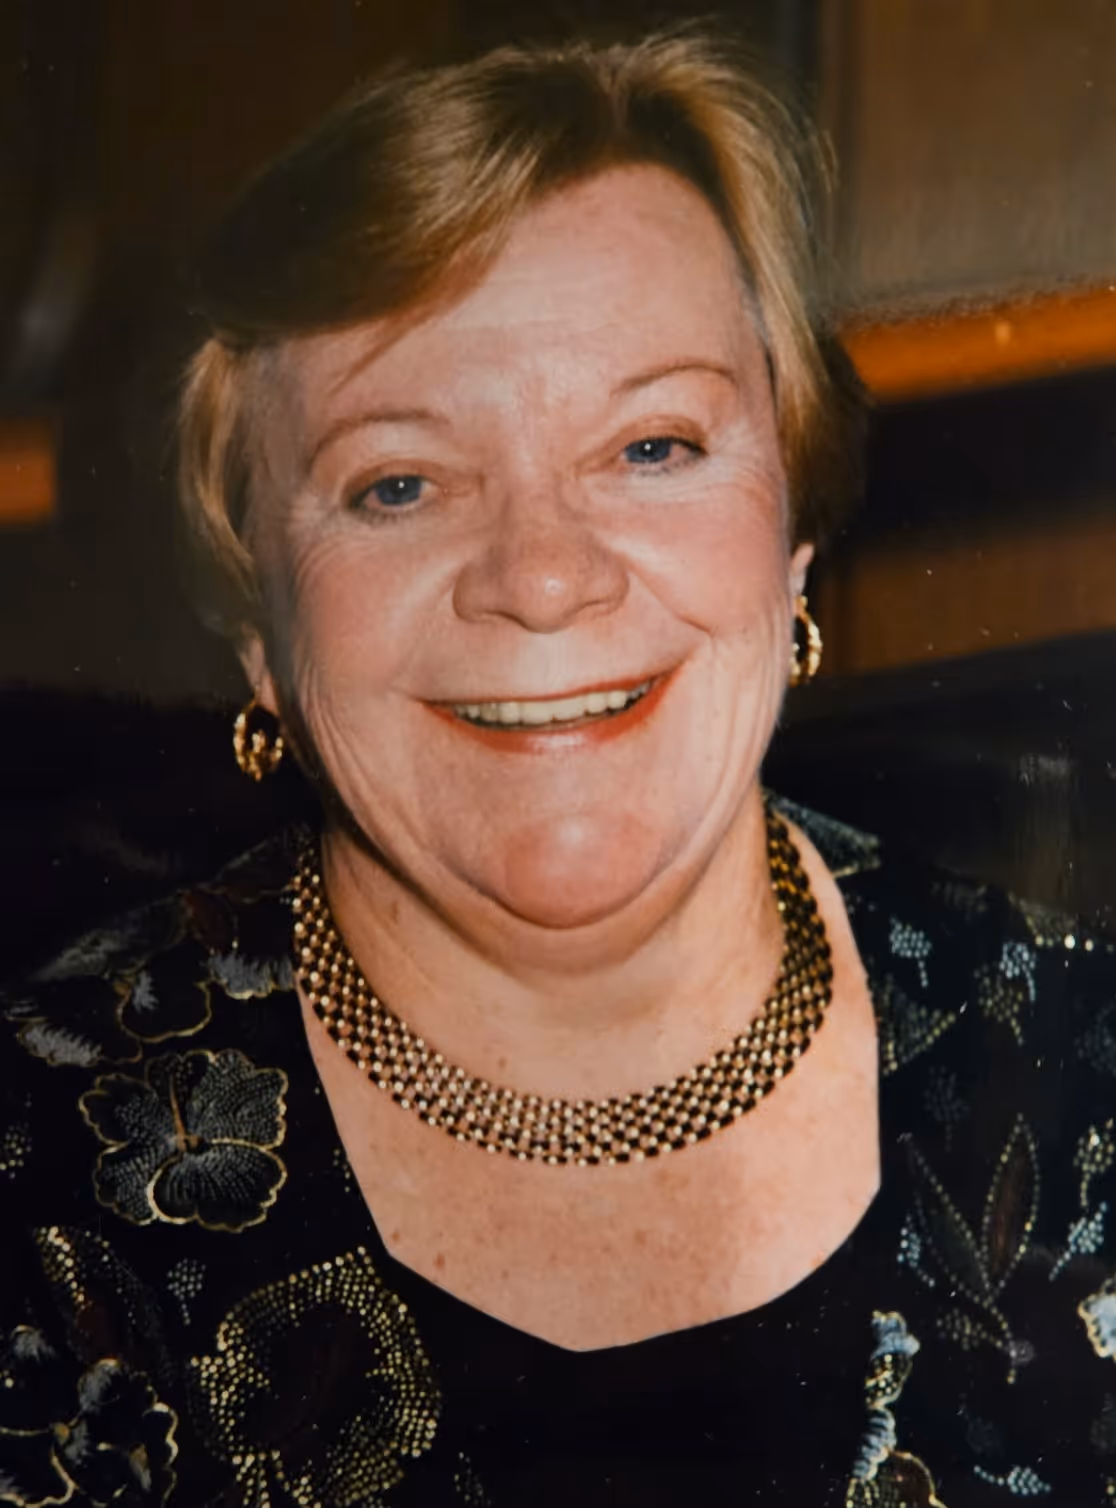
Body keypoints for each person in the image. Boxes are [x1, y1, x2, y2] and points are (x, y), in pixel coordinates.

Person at [3, 30, 1116, 1508]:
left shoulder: (1083, 1076)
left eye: (651, 447)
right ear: (257, 627)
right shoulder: (36, 1193)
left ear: (791, 538)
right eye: (398, 482)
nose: (540, 578)